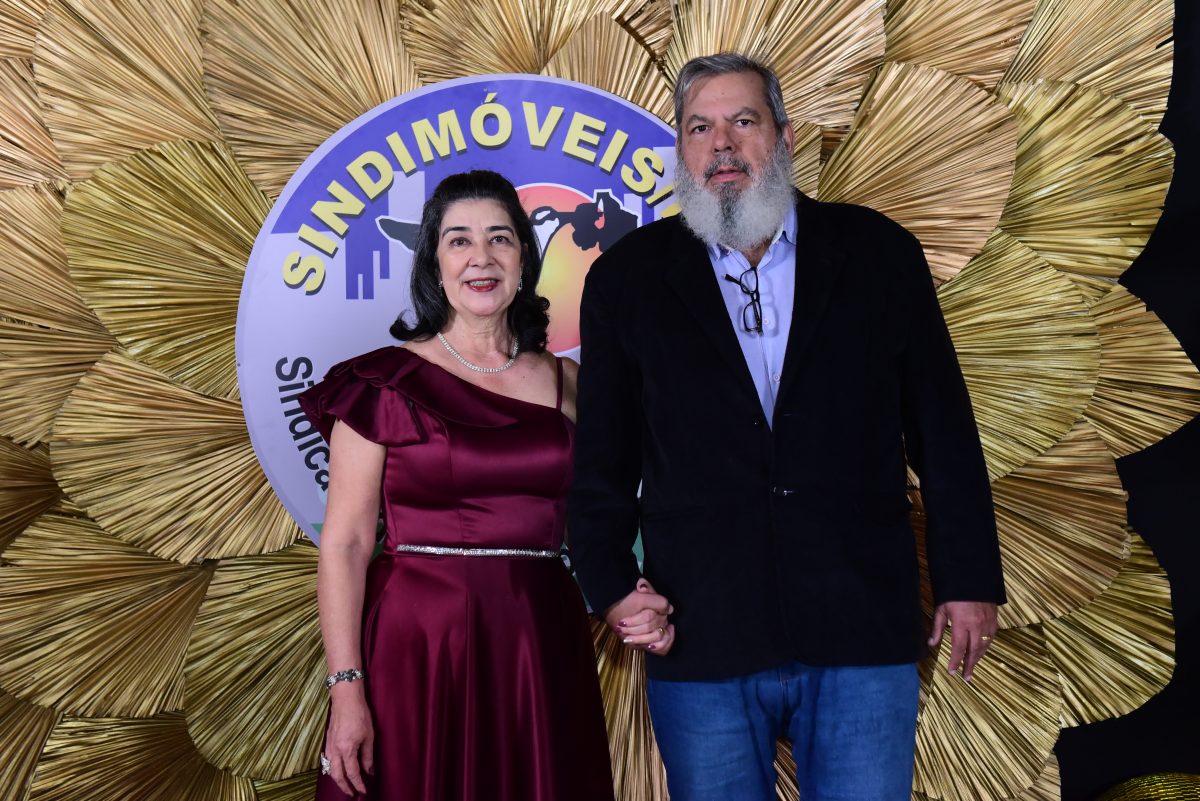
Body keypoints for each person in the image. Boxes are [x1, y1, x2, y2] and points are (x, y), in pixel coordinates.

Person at [568, 53, 1006, 801]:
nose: (722, 144)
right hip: (701, 626)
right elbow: (602, 461)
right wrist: (611, 588)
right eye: (700, 128)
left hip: (859, 620)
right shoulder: (627, 278)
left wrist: (967, 580)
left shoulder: (878, 253)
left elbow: (944, 432)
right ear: (681, 150)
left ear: (785, 135)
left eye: (743, 121)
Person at [299, 170, 614, 801]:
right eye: (459, 240)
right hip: (418, 644)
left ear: (524, 259)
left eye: (500, 238)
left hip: (538, 640)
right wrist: (347, 688)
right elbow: (347, 544)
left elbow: (602, 517)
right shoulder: (379, 382)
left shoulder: (571, 383)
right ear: (434, 263)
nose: (481, 257)